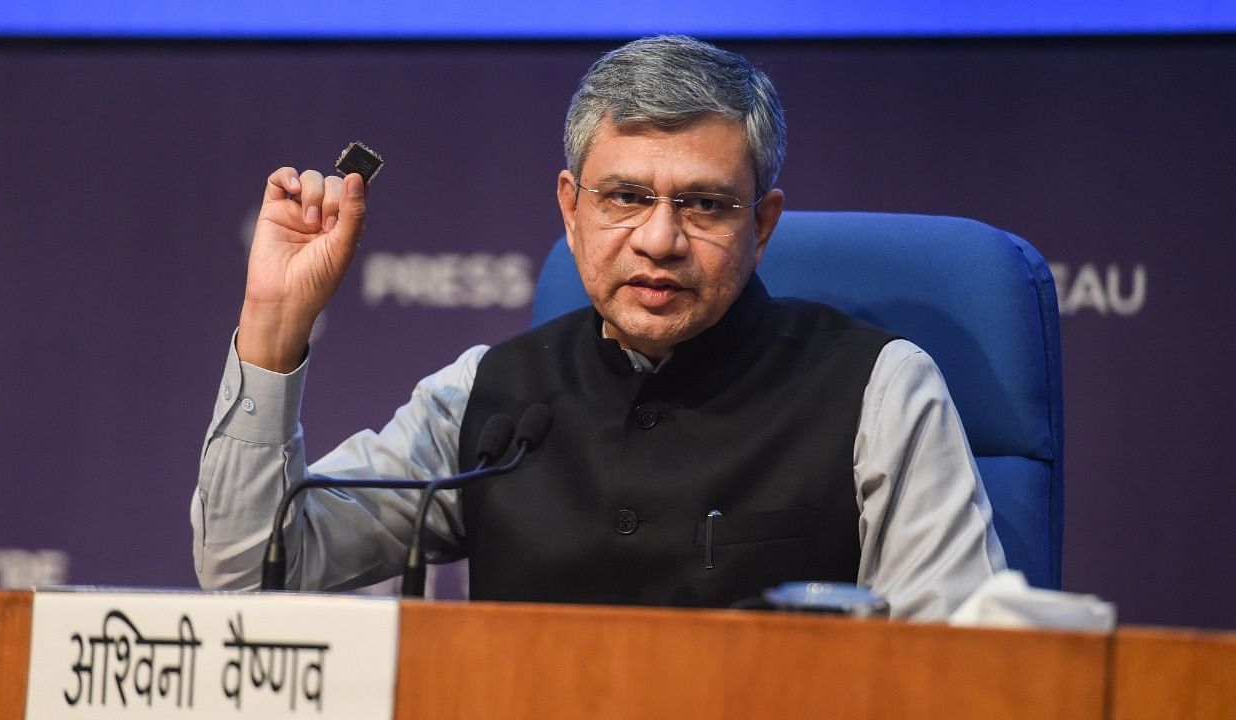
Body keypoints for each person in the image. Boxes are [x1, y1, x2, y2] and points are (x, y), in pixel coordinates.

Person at [193, 35, 1004, 619]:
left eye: (705, 204)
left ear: (762, 226)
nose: (659, 239)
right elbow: (251, 574)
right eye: (625, 197)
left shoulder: (878, 389)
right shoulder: (487, 397)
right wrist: (273, 322)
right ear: (570, 209)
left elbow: (965, 667)